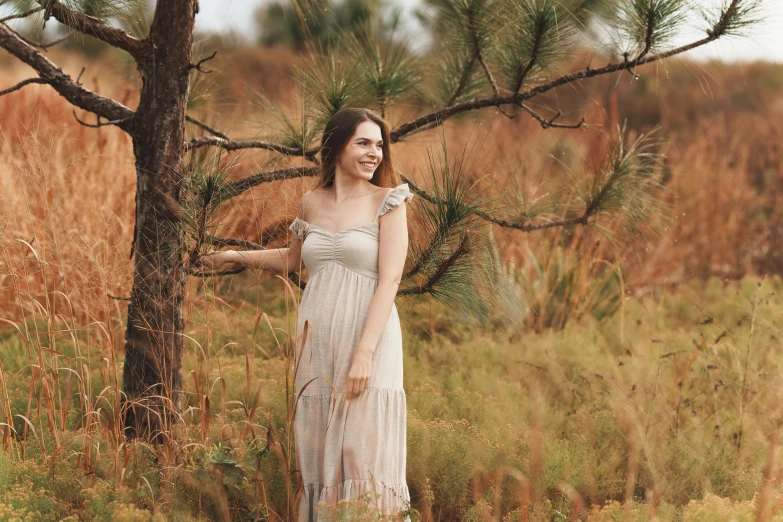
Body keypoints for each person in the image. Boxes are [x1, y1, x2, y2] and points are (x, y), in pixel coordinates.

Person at [197, 107, 413, 520]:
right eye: (363, 143)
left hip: (369, 336)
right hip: (318, 338)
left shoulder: (389, 201)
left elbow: (390, 280)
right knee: (318, 449)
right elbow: (293, 261)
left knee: (361, 448)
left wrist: (364, 354)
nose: (375, 154)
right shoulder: (311, 202)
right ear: (336, 147)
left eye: (380, 145)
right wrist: (232, 255)